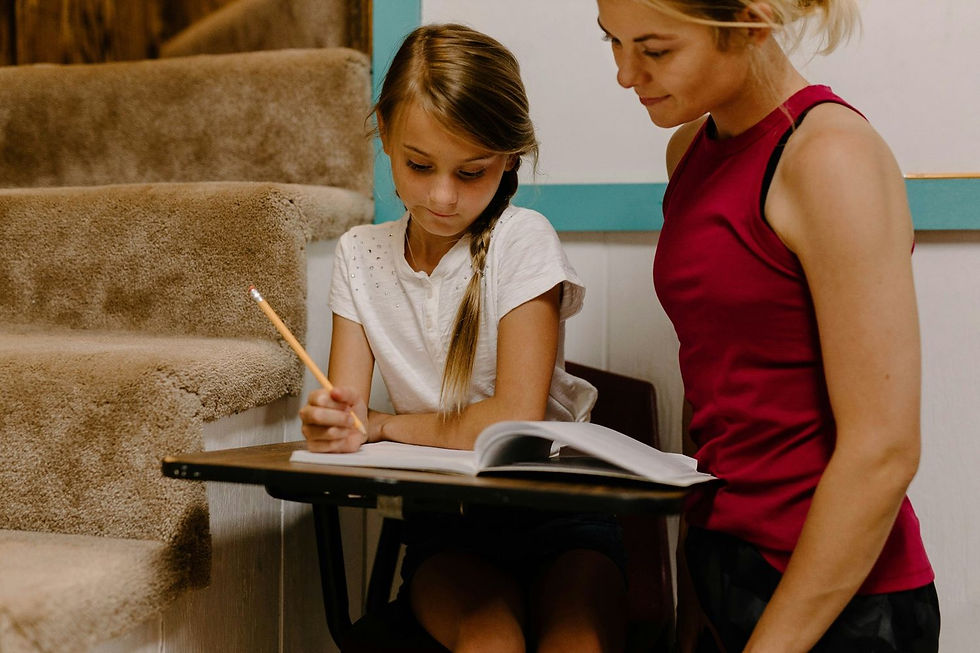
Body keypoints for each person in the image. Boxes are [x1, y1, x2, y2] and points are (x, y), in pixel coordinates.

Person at [595, 0, 939, 651]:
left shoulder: (830, 158)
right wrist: (694, 589)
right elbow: (715, 387)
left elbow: (883, 449)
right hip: (726, 570)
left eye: (655, 49)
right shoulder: (688, 151)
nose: (624, 73)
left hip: (841, 602)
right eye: (612, 41)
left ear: (749, 24)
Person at [299, 23, 627, 652]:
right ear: (385, 138)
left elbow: (513, 422)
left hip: (563, 517)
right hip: (446, 531)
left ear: (509, 159)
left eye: (472, 172)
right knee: (489, 644)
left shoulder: (521, 240)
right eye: (418, 165)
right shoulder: (361, 253)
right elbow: (347, 410)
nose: (443, 196)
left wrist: (385, 425)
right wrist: (331, 423)